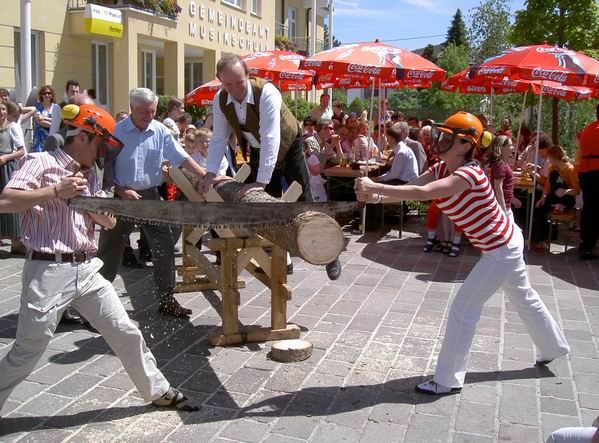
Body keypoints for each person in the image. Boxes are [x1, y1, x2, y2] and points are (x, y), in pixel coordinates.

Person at [0, 103, 199, 415]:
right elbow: (5, 201)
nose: (104, 152)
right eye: (100, 143)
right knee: (29, 347)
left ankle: (158, 390)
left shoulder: (90, 173)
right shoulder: (39, 162)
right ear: (82, 136)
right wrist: (55, 191)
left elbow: (107, 223)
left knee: (125, 331)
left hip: (87, 268)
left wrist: (92, 207)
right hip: (48, 268)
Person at [355, 111, 570, 395]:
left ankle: (447, 380)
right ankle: (554, 346)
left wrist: (376, 187)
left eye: (448, 137)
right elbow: (416, 186)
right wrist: (378, 196)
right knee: (524, 297)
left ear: (466, 145)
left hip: (500, 249)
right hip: (505, 241)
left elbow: (426, 193)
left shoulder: (469, 173)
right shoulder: (444, 166)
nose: (440, 140)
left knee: (464, 308)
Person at [197, 54, 341, 281]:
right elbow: (219, 138)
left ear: (248, 74)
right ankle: (285, 261)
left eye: (239, 82)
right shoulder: (220, 99)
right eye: (228, 84)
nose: (235, 89)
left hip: (288, 145)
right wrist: (210, 173)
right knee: (266, 207)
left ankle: (331, 255)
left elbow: (271, 137)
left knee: (305, 200)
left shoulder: (267, 92)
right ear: (220, 81)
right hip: (258, 150)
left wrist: (260, 181)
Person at [97, 88, 207, 318]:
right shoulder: (116, 132)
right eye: (144, 112)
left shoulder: (160, 131)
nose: (149, 116)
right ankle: (94, 306)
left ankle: (167, 300)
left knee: (164, 246)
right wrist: (120, 189)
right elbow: (103, 170)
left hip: (149, 197)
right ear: (132, 109)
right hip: (122, 200)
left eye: (153, 111)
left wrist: (204, 175)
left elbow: (181, 157)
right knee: (108, 251)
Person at [0, 101, 26, 254]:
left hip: (6, 168)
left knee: (9, 201)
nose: (1, 112)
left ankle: (17, 241)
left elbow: (21, 151)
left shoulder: (12, 127)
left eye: (3, 109)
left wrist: (6, 158)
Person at [576, 105, 599, 260]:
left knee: (588, 207)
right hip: (596, 170)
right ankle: (589, 247)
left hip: (585, 171)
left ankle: (584, 243)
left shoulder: (588, 129)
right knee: (596, 211)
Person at [487, 135, 521, 224]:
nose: (512, 148)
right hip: (501, 207)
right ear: (501, 148)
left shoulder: (502, 163)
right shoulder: (500, 165)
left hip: (505, 205)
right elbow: (498, 187)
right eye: (510, 145)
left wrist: (512, 199)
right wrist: (503, 209)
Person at [32, 85, 60, 152]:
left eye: (49, 93)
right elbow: (40, 121)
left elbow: (59, 121)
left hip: (52, 138)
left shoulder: (56, 107)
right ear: (41, 95)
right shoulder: (37, 106)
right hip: (39, 139)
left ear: (52, 94)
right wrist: (54, 124)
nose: (47, 95)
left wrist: (44, 118)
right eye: (44, 93)